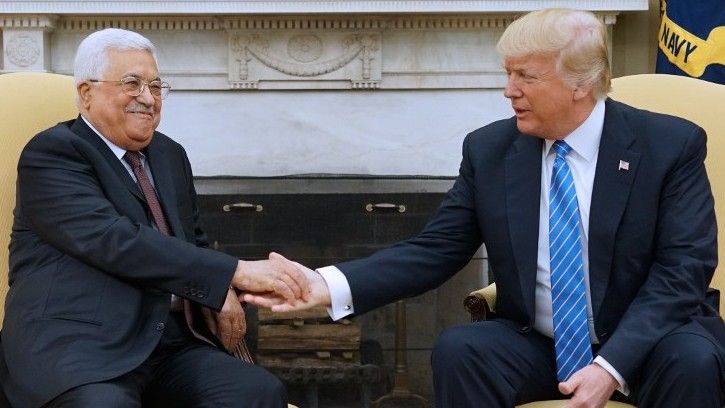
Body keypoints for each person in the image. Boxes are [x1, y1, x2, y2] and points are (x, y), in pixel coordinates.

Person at [244, 8, 725, 408]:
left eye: (525, 76)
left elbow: (683, 270)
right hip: (540, 342)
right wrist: (325, 285)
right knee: (462, 349)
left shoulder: (668, 146)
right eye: (507, 73)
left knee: (694, 361)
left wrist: (610, 364)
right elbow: (434, 250)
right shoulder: (491, 150)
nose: (508, 90)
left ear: (582, 83)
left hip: (652, 339)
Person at [0, 28, 308, 408]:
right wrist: (233, 272)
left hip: (165, 343)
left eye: (157, 86)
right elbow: (116, 240)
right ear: (86, 93)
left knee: (256, 392)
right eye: (132, 84)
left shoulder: (169, 155)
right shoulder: (54, 153)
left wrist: (220, 293)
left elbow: (191, 241)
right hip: (78, 346)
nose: (148, 98)